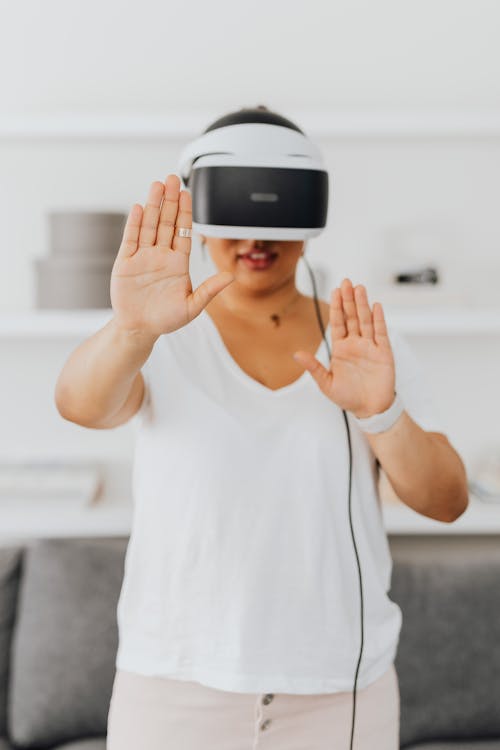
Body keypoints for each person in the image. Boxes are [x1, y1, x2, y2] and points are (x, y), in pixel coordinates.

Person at [55, 124, 468, 750]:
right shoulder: (163, 336)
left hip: (337, 686)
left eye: (273, 210)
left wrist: (380, 412)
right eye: (237, 208)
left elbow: (446, 500)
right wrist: (133, 329)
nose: (254, 238)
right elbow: (81, 405)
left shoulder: (362, 342)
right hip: (174, 683)